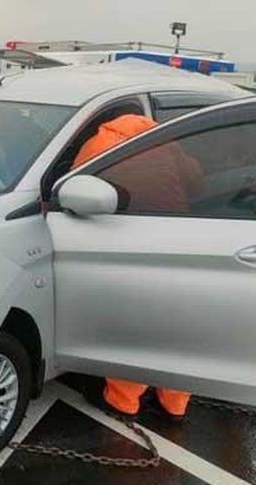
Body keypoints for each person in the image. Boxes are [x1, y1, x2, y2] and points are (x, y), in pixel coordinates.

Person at [72, 114, 197, 422]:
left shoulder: (100, 142)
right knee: (176, 326)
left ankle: (123, 401)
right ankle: (175, 405)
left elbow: (73, 184)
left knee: (136, 324)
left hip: (132, 237)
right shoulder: (166, 139)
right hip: (183, 238)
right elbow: (196, 179)